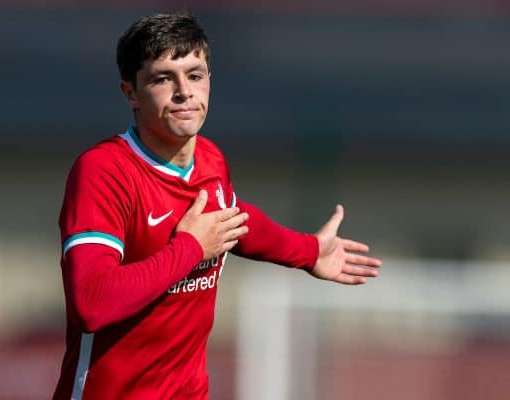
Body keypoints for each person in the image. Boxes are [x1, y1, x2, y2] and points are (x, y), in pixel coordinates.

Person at [53, 12, 382, 400]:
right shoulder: (104, 171)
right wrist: (191, 248)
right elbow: (91, 302)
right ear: (130, 92)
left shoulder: (210, 160)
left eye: (195, 75)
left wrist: (309, 251)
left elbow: (233, 219)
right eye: (162, 78)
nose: (184, 92)